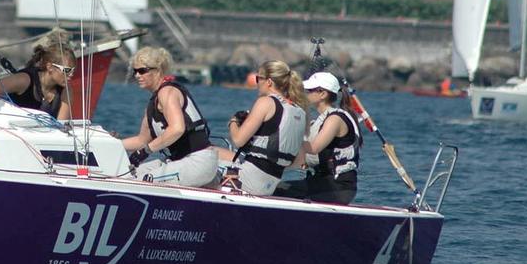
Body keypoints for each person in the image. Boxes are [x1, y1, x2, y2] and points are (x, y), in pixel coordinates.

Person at [121, 46, 219, 188]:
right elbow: (141, 140)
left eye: (142, 71)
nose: (137, 75)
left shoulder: (167, 92)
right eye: (135, 71)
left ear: (158, 70)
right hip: (181, 162)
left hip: (198, 162)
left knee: (139, 182)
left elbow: (177, 129)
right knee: (126, 175)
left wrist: (146, 151)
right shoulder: (153, 103)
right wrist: (111, 143)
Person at [219, 60, 306, 195]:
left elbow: (237, 140)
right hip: (270, 182)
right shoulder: (299, 112)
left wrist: (234, 121)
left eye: (258, 78)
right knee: (213, 150)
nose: (257, 82)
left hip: (248, 179)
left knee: (203, 157)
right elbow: (299, 161)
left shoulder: (265, 102)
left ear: (269, 82)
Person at [279, 71, 361, 205]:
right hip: (323, 182)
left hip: (338, 188)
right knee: (278, 186)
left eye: (310, 91)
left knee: (278, 190)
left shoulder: (335, 119)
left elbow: (314, 148)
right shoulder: (321, 120)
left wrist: (286, 139)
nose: (305, 94)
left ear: (322, 94)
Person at [0, 29, 74, 120]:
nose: (71, 74)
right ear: (49, 67)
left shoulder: (66, 90)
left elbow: (61, 123)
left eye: (73, 70)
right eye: (66, 70)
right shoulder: (24, 80)